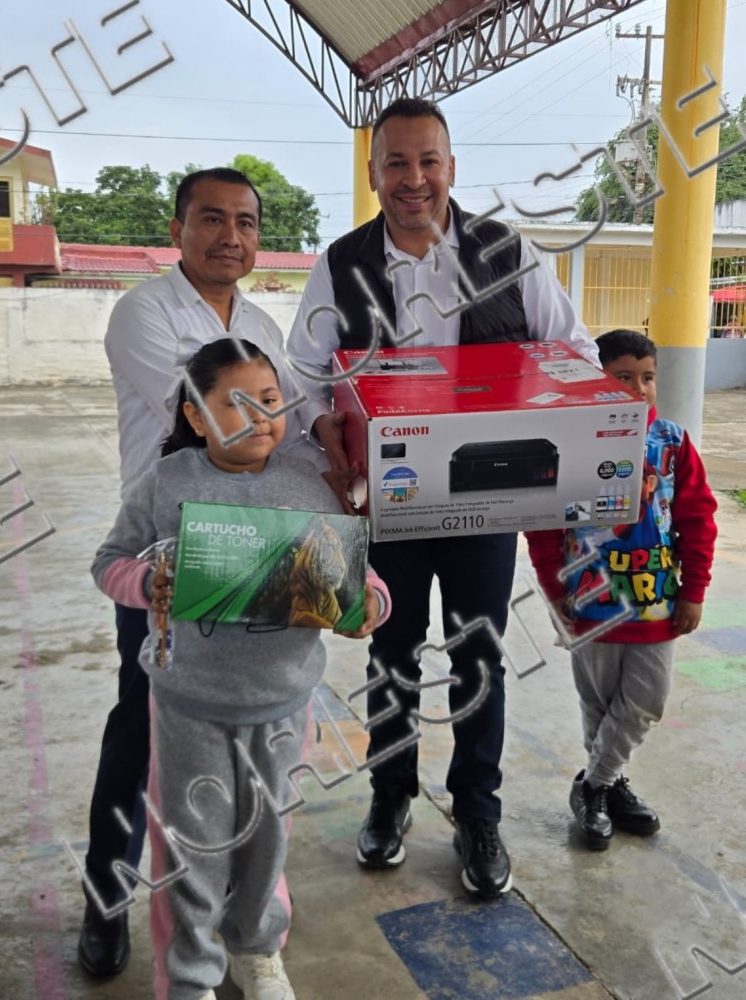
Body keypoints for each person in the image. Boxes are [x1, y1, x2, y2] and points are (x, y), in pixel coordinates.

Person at [286, 96, 600, 897]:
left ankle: (478, 812)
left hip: (486, 502)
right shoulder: (341, 263)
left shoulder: (508, 254)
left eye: (428, 161)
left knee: (477, 655)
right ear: (374, 174)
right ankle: (390, 796)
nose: (414, 179)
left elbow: (575, 350)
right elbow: (303, 371)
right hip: (384, 502)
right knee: (390, 653)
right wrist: (324, 430)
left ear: (452, 167)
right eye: (396, 162)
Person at [91, 339, 390, 1000]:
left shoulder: (309, 480)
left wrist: (371, 603)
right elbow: (109, 562)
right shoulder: (167, 481)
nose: (260, 417)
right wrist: (145, 583)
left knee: (265, 840)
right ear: (196, 416)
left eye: (271, 400)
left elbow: (356, 574)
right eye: (237, 403)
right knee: (190, 845)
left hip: (282, 703)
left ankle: (257, 951)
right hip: (188, 703)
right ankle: (189, 976)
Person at [80, 169, 322, 977]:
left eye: (246, 222)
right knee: (142, 732)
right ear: (178, 229)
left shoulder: (260, 321)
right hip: (169, 554)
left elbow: (285, 426)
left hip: (260, 550)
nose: (231, 236)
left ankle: (249, 923)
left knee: (260, 748)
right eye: (212, 219)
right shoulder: (144, 312)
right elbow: (220, 416)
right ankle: (107, 898)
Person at [526, 330, 717, 849]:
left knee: (646, 700)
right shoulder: (566, 444)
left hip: (655, 602)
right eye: (623, 376)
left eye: (647, 377)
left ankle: (594, 784)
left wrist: (694, 590)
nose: (639, 388)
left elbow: (698, 519)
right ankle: (609, 788)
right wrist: (554, 591)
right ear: (595, 380)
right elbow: (542, 526)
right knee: (598, 702)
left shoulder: (673, 444)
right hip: (589, 601)